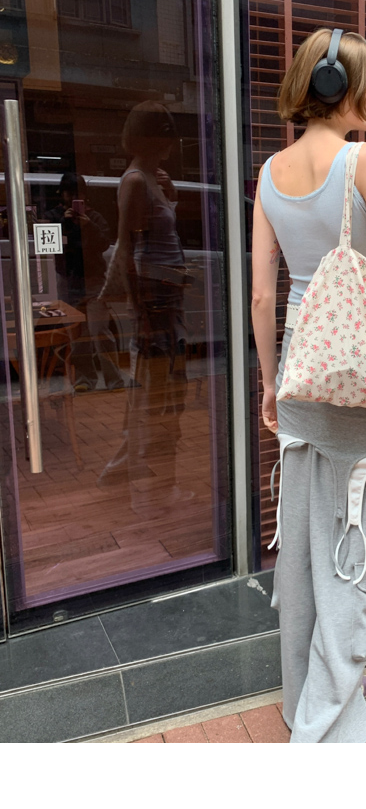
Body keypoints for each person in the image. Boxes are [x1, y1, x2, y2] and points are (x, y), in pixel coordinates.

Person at [252, 28, 366, 743]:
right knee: (354, 546)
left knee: (301, 550)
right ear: (341, 89)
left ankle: (305, 696)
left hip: (301, 371)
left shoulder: (269, 173)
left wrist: (270, 384)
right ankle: (324, 726)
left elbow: (262, 296)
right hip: (361, 380)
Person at [97, 101, 191, 508]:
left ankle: (126, 470)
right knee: (157, 394)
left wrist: (171, 196)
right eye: (165, 135)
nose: (171, 144)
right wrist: (142, 315)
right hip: (154, 305)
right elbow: (128, 251)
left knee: (158, 390)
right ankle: (151, 487)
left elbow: (156, 236)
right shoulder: (136, 181)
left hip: (165, 302)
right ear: (151, 139)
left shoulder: (151, 179)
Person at [43, 173, 123, 391]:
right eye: (69, 192)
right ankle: (84, 380)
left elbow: (104, 244)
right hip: (68, 280)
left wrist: (88, 225)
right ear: (62, 194)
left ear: (85, 195)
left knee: (100, 331)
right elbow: (47, 247)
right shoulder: (53, 216)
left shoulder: (94, 217)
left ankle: (114, 380)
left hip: (94, 280)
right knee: (76, 334)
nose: (73, 197)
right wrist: (63, 222)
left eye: (77, 193)